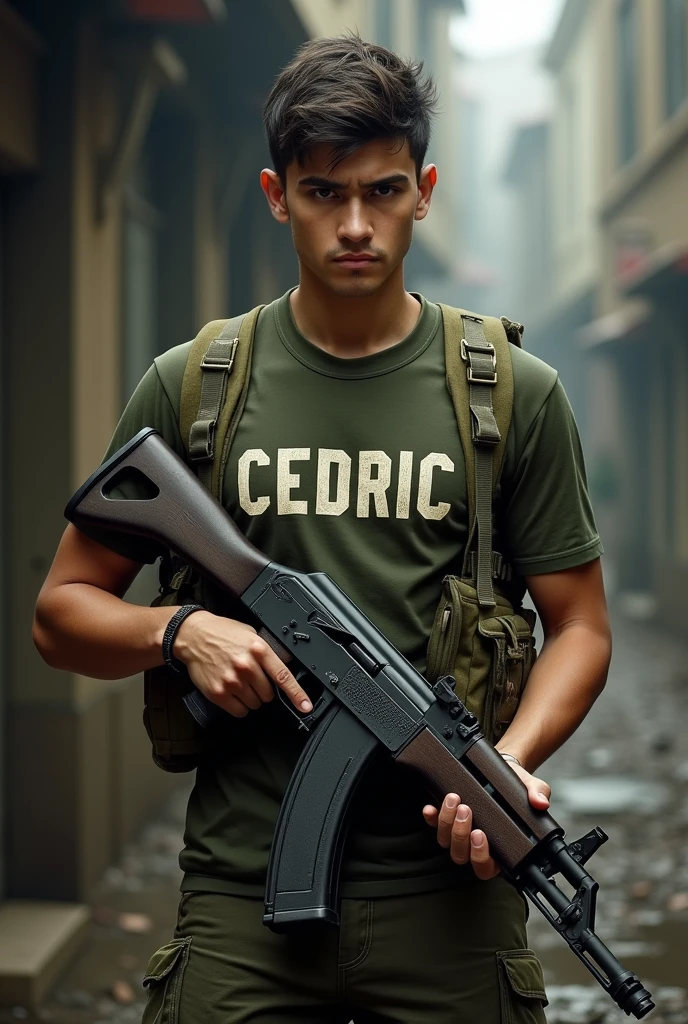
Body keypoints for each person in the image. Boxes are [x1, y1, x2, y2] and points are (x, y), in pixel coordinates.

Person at [33, 34, 611, 1024]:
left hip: (450, 899)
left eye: (383, 192)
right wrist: (179, 632)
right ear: (274, 193)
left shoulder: (513, 396)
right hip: (240, 896)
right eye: (322, 194)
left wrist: (508, 761)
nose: (355, 225)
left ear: (424, 189)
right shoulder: (194, 385)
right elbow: (60, 613)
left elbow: (583, 626)